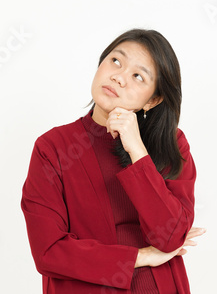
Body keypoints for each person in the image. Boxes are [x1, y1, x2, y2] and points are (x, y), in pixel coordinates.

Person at [21, 28, 206, 293]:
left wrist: (138, 151)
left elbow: (171, 237)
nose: (119, 77)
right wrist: (141, 257)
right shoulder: (52, 148)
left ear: (153, 99)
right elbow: (49, 251)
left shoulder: (171, 144)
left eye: (138, 76)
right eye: (116, 61)